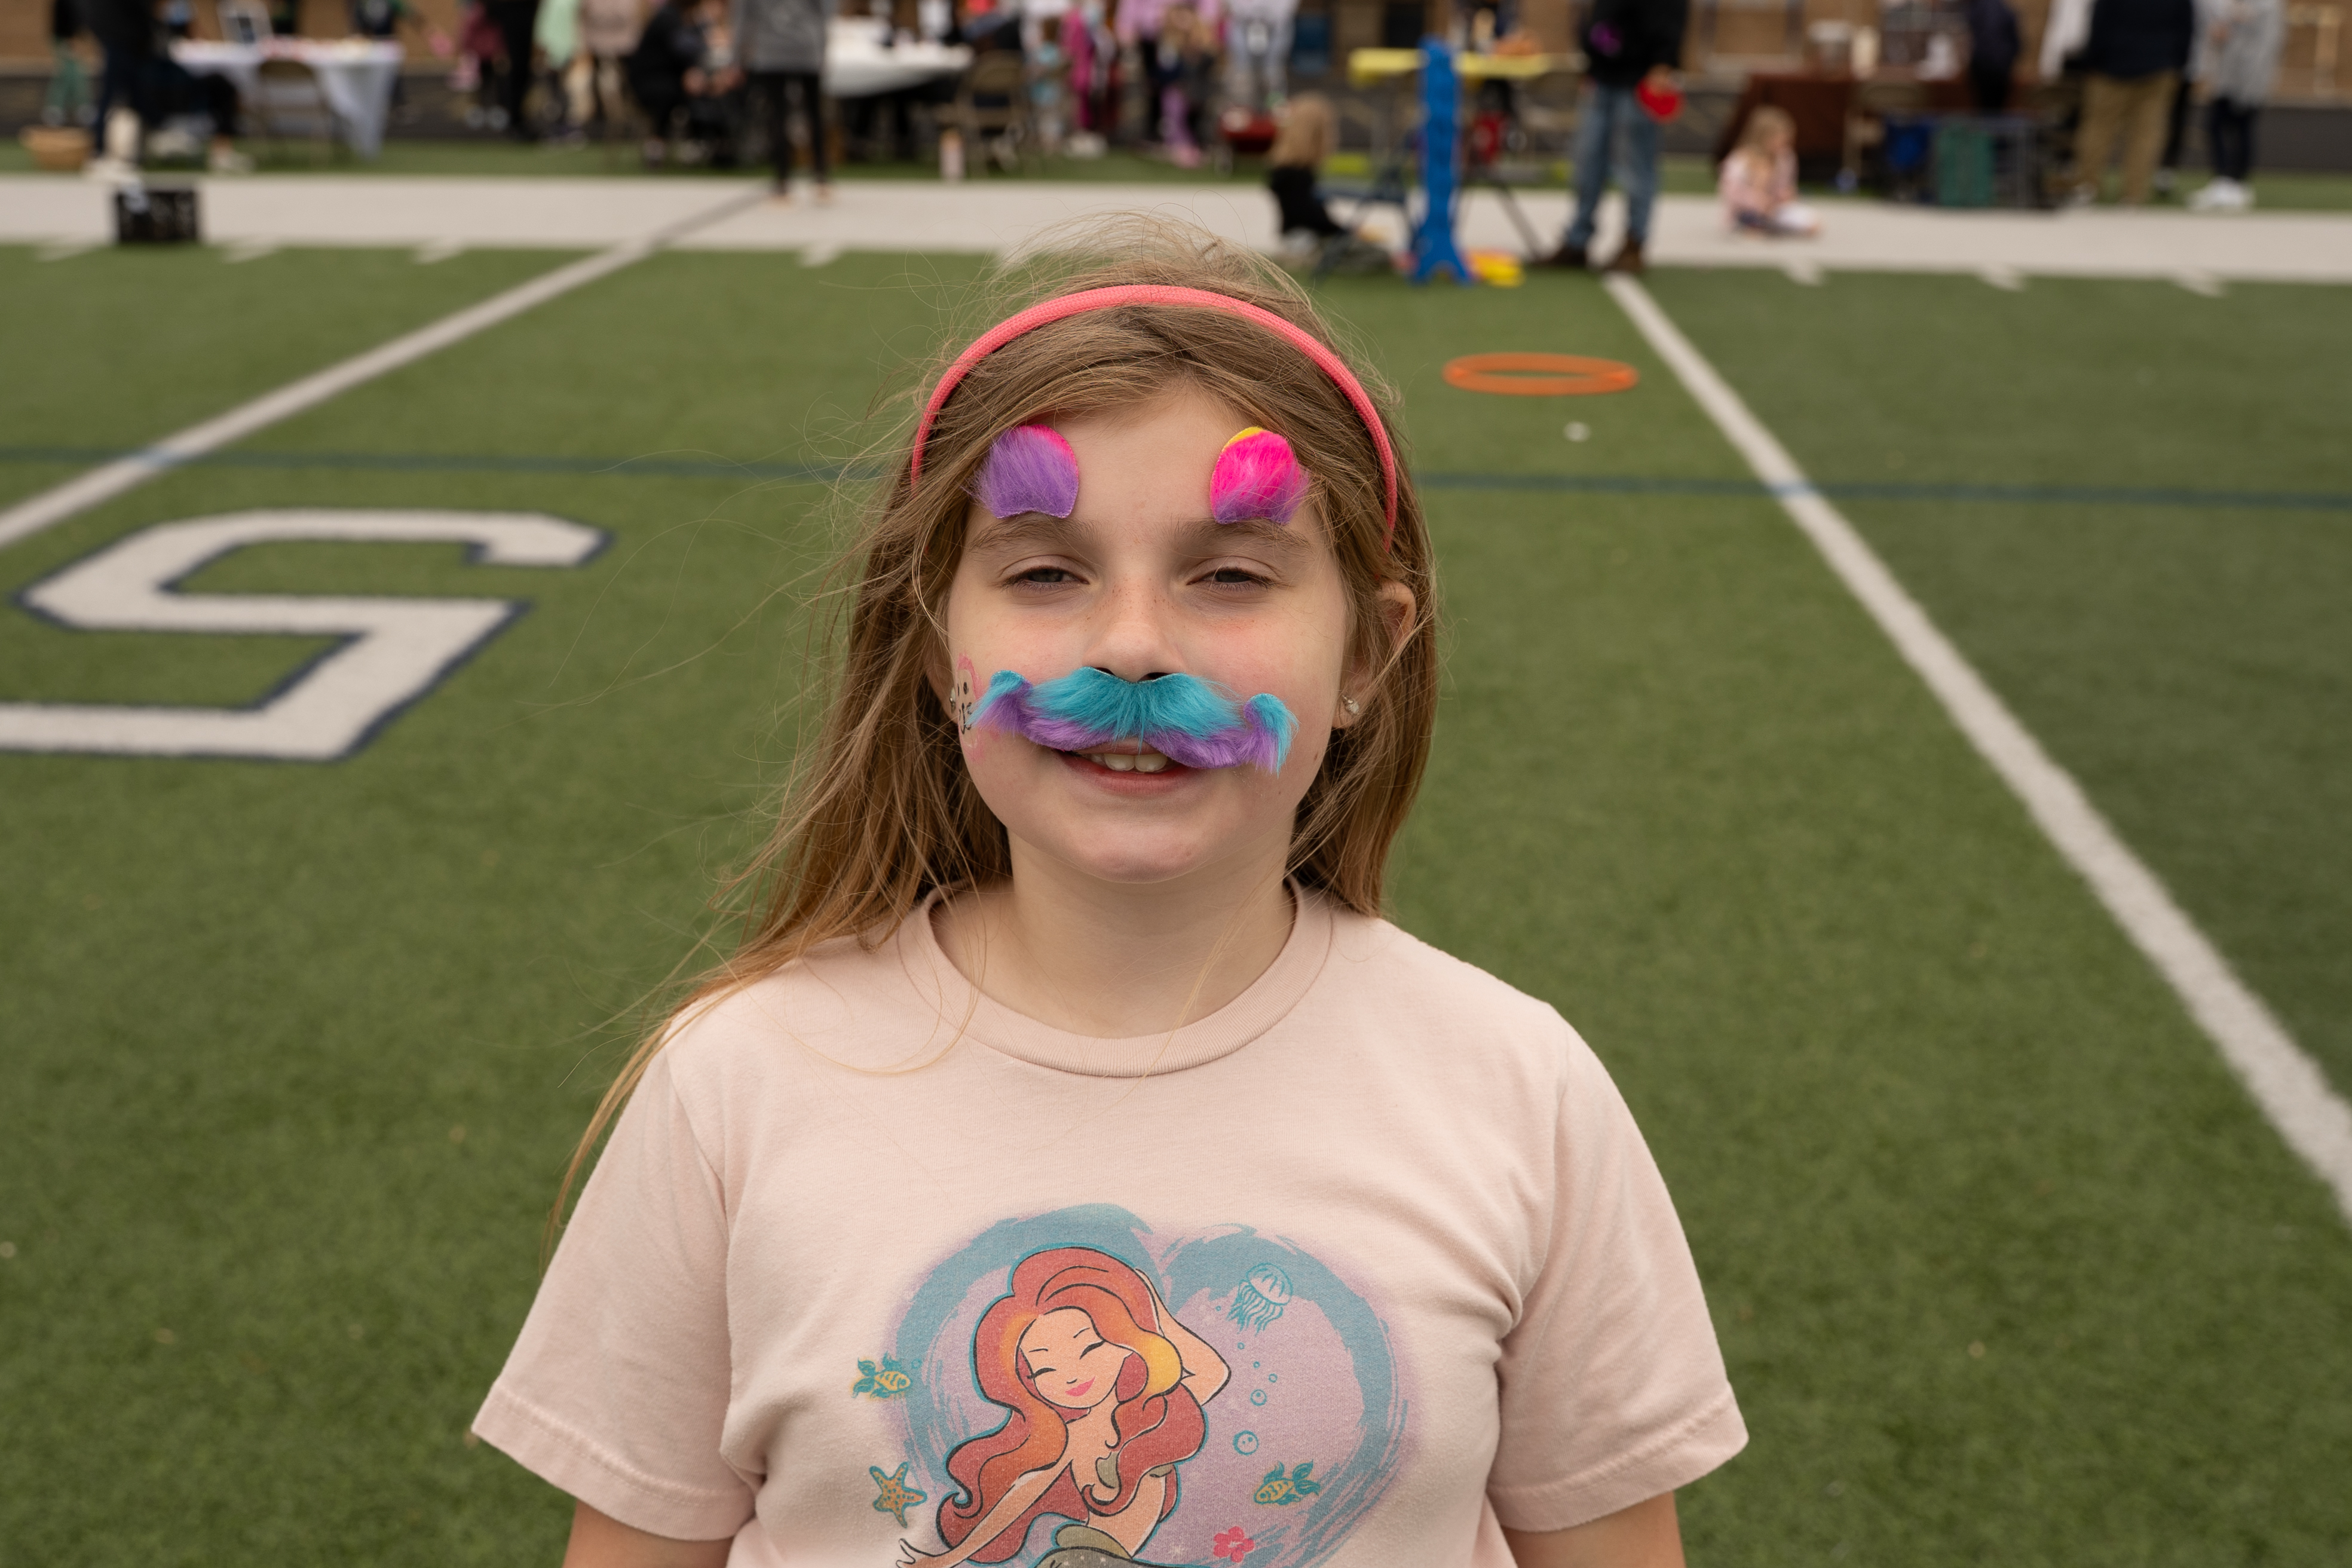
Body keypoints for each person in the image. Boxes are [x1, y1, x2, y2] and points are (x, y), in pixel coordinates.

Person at [472, 219, 1746, 1568]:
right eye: (1045, 571)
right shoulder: (736, 1085)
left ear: (1368, 654)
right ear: (936, 645)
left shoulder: (1519, 1092)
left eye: (1232, 574)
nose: (1133, 642)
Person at [1540, 0, 1689, 273]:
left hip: (1640, 78)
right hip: (1603, 76)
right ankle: (1577, 240)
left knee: (1635, 165)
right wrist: (1590, 65)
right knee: (1587, 161)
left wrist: (1664, 63)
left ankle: (1635, 242)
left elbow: (1673, 11)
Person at [2068, 0, 2195, 204]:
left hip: (2112, 66)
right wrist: (2176, 64)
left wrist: (2092, 61)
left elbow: (2099, 24)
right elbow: (2186, 29)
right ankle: (2133, 195)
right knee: (2146, 133)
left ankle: (2087, 187)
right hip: (2158, 65)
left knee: (2099, 128)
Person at [2188, 0, 2284, 210]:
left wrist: (2250, 86)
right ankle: (2226, 183)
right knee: (2219, 127)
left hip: (2247, 83)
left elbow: (2267, 46)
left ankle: (2236, 184)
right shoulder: (2234, 5)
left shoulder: (2267, 6)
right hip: (2228, 80)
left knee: (2239, 129)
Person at [731, 0, 831, 198]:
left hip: (776, 50)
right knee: (811, 113)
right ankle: (818, 176)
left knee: (779, 116)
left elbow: (743, 18)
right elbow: (824, 13)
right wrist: (823, 51)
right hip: (798, 48)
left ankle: (784, 179)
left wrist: (736, 58)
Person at [627, 0, 715, 159]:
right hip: (649, 81)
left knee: (705, 86)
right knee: (670, 93)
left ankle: (710, 140)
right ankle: (660, 143)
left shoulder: (687, 17)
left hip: (671, 77)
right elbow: (683, 47)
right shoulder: (668, 17)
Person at [1719, 105, 1820, 235]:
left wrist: (1785, 195)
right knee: (1751, 218)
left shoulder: (1786, 158)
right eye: (1781, 140)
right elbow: (1732, 193)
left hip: (1775, 208)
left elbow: (1786, 187)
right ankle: (1754, 224)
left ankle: (1768, 225)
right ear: (1765, 137)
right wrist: (1757, 201)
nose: (1785, 145)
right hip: (1744, 210)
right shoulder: (1740, 160)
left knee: (1811, 221)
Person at [1963, 0, 2020, 109]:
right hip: (2000, 66)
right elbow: (2016, 42)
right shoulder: (2004, 8)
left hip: (1985, 65)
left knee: (1985, 108)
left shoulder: (1979, 7)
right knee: (1995, 109)